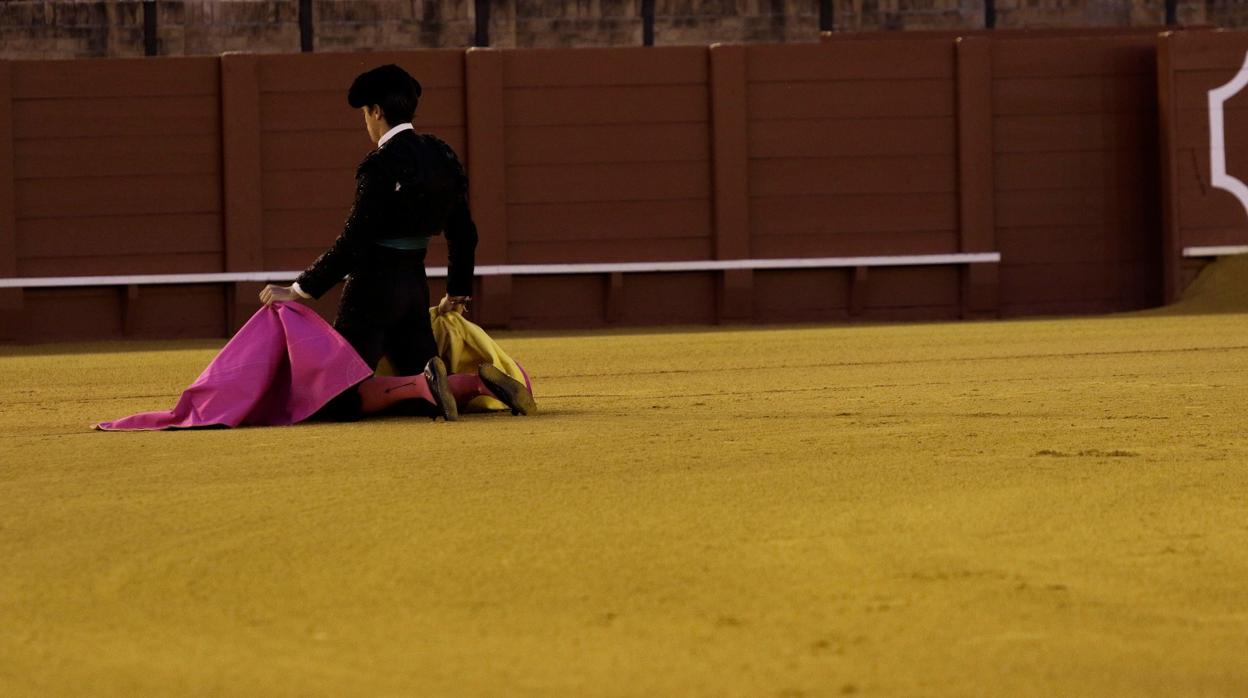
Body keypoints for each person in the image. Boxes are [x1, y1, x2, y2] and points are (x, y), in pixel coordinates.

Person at [258, 63, 530, 421]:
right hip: (414, 289)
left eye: (365, 114)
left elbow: (354, 241)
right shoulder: (441, 154)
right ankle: (477, 385)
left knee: (334, 399)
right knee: (425, 394)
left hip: (372, 291)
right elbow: (464, 231)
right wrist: (458, 289)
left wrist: (300, 289)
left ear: (376, 112)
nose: (366, 122)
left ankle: (422, 385)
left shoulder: (379, 165)